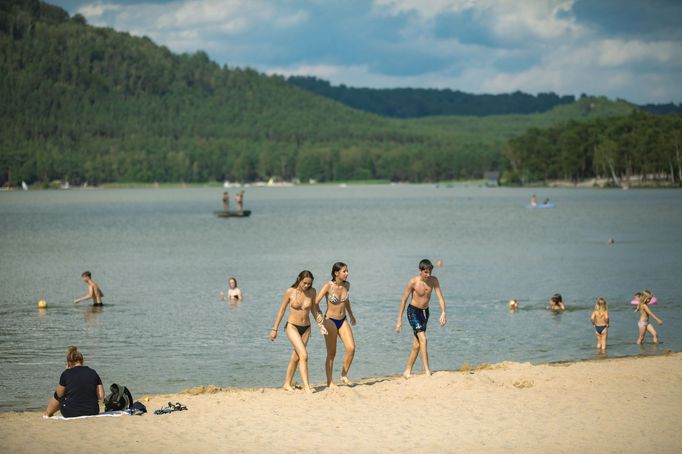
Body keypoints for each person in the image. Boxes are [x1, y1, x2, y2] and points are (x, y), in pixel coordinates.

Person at [270, 271, 326, 393]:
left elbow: (314, 310)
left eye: (309, 284)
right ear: (299, 279)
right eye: (304, 283)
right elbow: (282, 310)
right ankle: (306, 386)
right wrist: (275, 329)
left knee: (296, 357)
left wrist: (320, 325)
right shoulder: (290, 291)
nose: (306, 285)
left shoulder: (312, 292)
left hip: (306, 328)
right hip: (292, 326)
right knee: (304, 355)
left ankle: (287, 383)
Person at [395, 259, 447, 378]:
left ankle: (407, 370)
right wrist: (399, 319)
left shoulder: (434, 281)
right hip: (413, 312)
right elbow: (404, 299)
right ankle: (427, 371)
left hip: (425, 313)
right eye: (426, 273)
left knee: (417, 344)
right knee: (423, 339)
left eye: (430, 272)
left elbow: (440, 297)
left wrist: (443, 312)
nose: (428, 275)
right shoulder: (413, 282)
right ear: (420, 271)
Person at [315, 262, 357, 387]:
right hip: (330, 320)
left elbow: (346, 301)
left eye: (347, 271)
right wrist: (319, 314)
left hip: (342, 320)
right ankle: (330, 382)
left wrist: (351, 315)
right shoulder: (328, 286)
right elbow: (316, 302)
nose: (347, 273)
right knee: (332, 353)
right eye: (344, 271)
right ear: (336, 273)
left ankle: (344, 375)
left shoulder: (347, 285)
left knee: (351, 348)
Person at [44, 346, 105, 418]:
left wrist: (68, 371)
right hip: (92, 411)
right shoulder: (93, 372)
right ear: (82, 361)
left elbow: (59, 395)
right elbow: (101, 396)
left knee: (58, 393)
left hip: (70, 412)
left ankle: (47, 414)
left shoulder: (66, 373)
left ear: (69, 363)